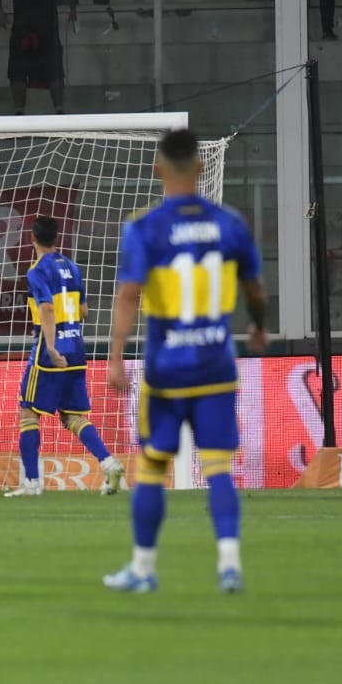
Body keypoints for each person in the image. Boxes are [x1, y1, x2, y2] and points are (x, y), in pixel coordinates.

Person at [104, 129, 268, 594]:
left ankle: (142, 569)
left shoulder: (145, 226)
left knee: (153, 467)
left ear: (158, 169)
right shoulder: (230, 222)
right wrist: (258, 326)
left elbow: (130, 292)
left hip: (166, 370)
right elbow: (255, 288)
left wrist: (116, 355)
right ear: (200, 168)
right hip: (216, 366)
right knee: (217, 467)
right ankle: (229, 565)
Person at [5, 216, 126, 497]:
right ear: (56, 238)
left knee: (28, 412)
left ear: (32, 237)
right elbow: (83, 310)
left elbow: (46, 308)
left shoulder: (36, 271)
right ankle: (108, 463)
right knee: (72, 416)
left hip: (50, 349)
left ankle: (32, 483)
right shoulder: (72, 266)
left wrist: (49, 346)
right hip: (76, 347)